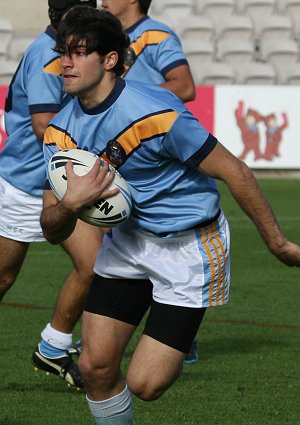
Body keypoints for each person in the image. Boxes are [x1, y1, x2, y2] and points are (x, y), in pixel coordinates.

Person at [40, 6, 300, 424]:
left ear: (110, 60)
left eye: (78, 52)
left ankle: (179, 332)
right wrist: (70, 204)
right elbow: (51, 229)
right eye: (62, 52)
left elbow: (235, 171)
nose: (64, 63)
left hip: (189, 247)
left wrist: (278, 243)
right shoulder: (60, 134)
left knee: (146, 385)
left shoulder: (157, 113)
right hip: (126, 243)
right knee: (94, 368)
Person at [0, 0, 98, 389]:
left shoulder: (64, 52)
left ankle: (54, 346)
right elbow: (44, 127)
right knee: (4, 278)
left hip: (59, 183)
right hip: (25, 183)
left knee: (94, 265)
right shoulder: (47, 56)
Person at [97, 0, 199, 365]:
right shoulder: (107, 36)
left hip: (150, 155)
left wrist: (132, 101)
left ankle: (172, 331)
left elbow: (184, 85)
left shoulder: (156, 36)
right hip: (119, 156)